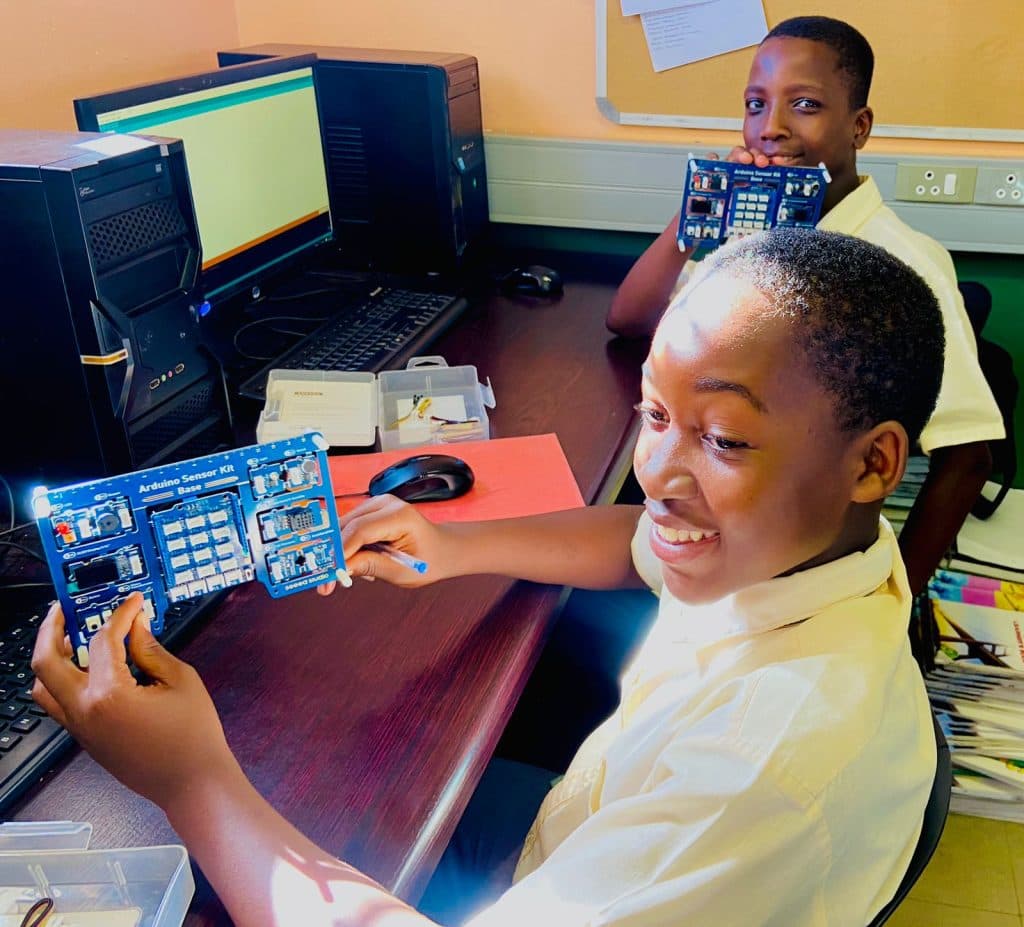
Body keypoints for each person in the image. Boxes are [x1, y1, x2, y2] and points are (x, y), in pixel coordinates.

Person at [34, 228, 945, 927]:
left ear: (873, 464)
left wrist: (190, 781)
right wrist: (455, 545)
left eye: (725, 438)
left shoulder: (764, 768)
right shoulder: (808, 550)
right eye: (656, 414)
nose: (661, 471)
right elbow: (635, 534)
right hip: (584, 831)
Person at [607, 15, 1003, 597]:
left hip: (812, 560)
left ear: (859, 127)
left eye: (806, 105)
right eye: (754, 104)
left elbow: (969, 455)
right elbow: (628, 321)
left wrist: (897, 597)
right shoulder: (746, 235)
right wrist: (695, 218)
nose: (771, 129)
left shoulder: (904, 261)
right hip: (721, 526)